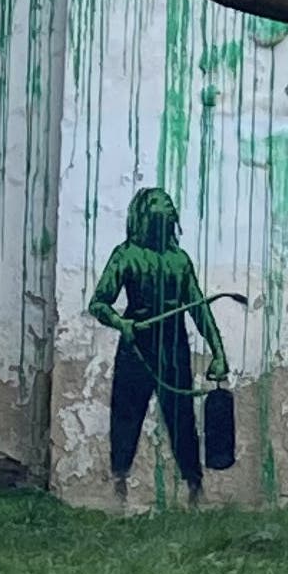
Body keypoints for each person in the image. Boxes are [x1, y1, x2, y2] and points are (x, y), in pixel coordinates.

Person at [88, 186, 228, 508]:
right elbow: (99, 303)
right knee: (126, 417)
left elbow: (198, 308)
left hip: (173, 349)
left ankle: (194, 486)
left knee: (182, 420)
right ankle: (119, 485)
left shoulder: (179, 260)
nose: (163, 226)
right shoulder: (125, 255)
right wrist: (122, 324)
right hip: (137, 347)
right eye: (157, 220)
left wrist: (218, 352)